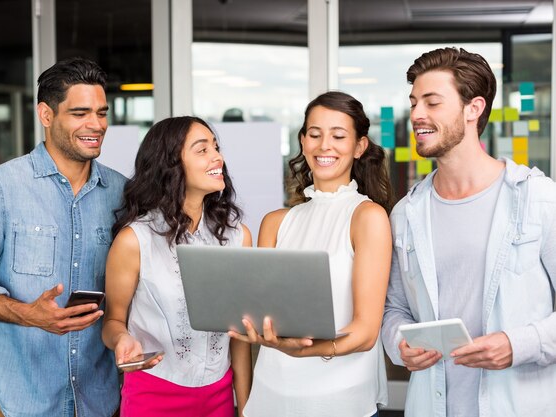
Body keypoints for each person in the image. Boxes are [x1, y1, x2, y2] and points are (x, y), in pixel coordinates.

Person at [0, 57, 125, 417]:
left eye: (102, 113)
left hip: (101, 399)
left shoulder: (122, 193)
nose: (96, 125)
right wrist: (27, 314)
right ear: (46, 115)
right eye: (80, 113)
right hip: (23, 401)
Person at [381, 47, 556, 417]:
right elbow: (395, 309)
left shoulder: (538, 199)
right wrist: (399, 343)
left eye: (432, 102)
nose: (416, 115)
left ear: (473, 108)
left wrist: (518, 344)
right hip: (431, 406)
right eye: (413, 103)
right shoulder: (406, 213)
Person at [229, 91, 393, 417]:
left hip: (340, 402)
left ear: (360, 146)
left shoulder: (368, 217)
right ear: (303, 141)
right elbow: (259, 317)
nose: (324, 145)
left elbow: (365, 332)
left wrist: (303, 352)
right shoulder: (275, 222)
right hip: (269, 398)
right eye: (314, 134)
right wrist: (246, 405)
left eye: (338, 136)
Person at [102, 116, 253, 417]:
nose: (217, 157)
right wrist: (122, 339)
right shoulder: (135, 239)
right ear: (170, 164)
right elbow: (112, 322)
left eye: (216, 147)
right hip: (153, 396)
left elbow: (239, 336)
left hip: (218, 396)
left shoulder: (238, 237)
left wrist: (246, 406)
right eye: (202, 150)